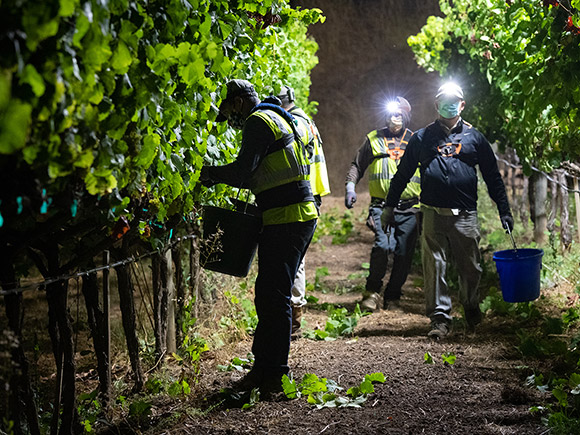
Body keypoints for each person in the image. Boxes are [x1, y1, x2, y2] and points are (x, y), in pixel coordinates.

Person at [200, 79, 318, 391]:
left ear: (238, 102)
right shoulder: (273, 116)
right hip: (288, 214)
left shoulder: (258, 121)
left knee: (273, 296)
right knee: (268, 293)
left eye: (227, 110)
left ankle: (276, 375)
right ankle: (263, 370)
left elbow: (243, 171)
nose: (229, 119)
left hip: (289, 216)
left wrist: (209, 174)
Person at [383, 82, 514, 340]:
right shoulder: (422, 138)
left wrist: (504, 210)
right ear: (436, 104)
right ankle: (439, 319)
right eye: (444, 100)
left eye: (454, 100)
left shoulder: (475, 138)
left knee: (471, 267)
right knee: (435, 267)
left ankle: (471, 309)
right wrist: (389, 206)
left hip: (465, 215)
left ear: (462, 104)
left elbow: (493, 177)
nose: (449, 104)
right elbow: (402, 175)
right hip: (432, 213)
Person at [345, 97, 421, 312]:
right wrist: (350, 186)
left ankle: (393, 296)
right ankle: (371, 292)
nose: (394, 118)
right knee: (383, 246)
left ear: (406, 116)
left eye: (398, 115)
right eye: (390, 114)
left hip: (410, 207)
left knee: (404, 253)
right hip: (380, 206)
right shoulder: (373, 139)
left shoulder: (416, 141)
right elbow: (357, 165)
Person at [276, 85, 331, 335]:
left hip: (303, 194)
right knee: (297, 257)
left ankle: (292, 319)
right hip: (311, 193)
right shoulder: (305, 119)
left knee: (293, 258)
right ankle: (292, 316)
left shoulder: (294, 123)